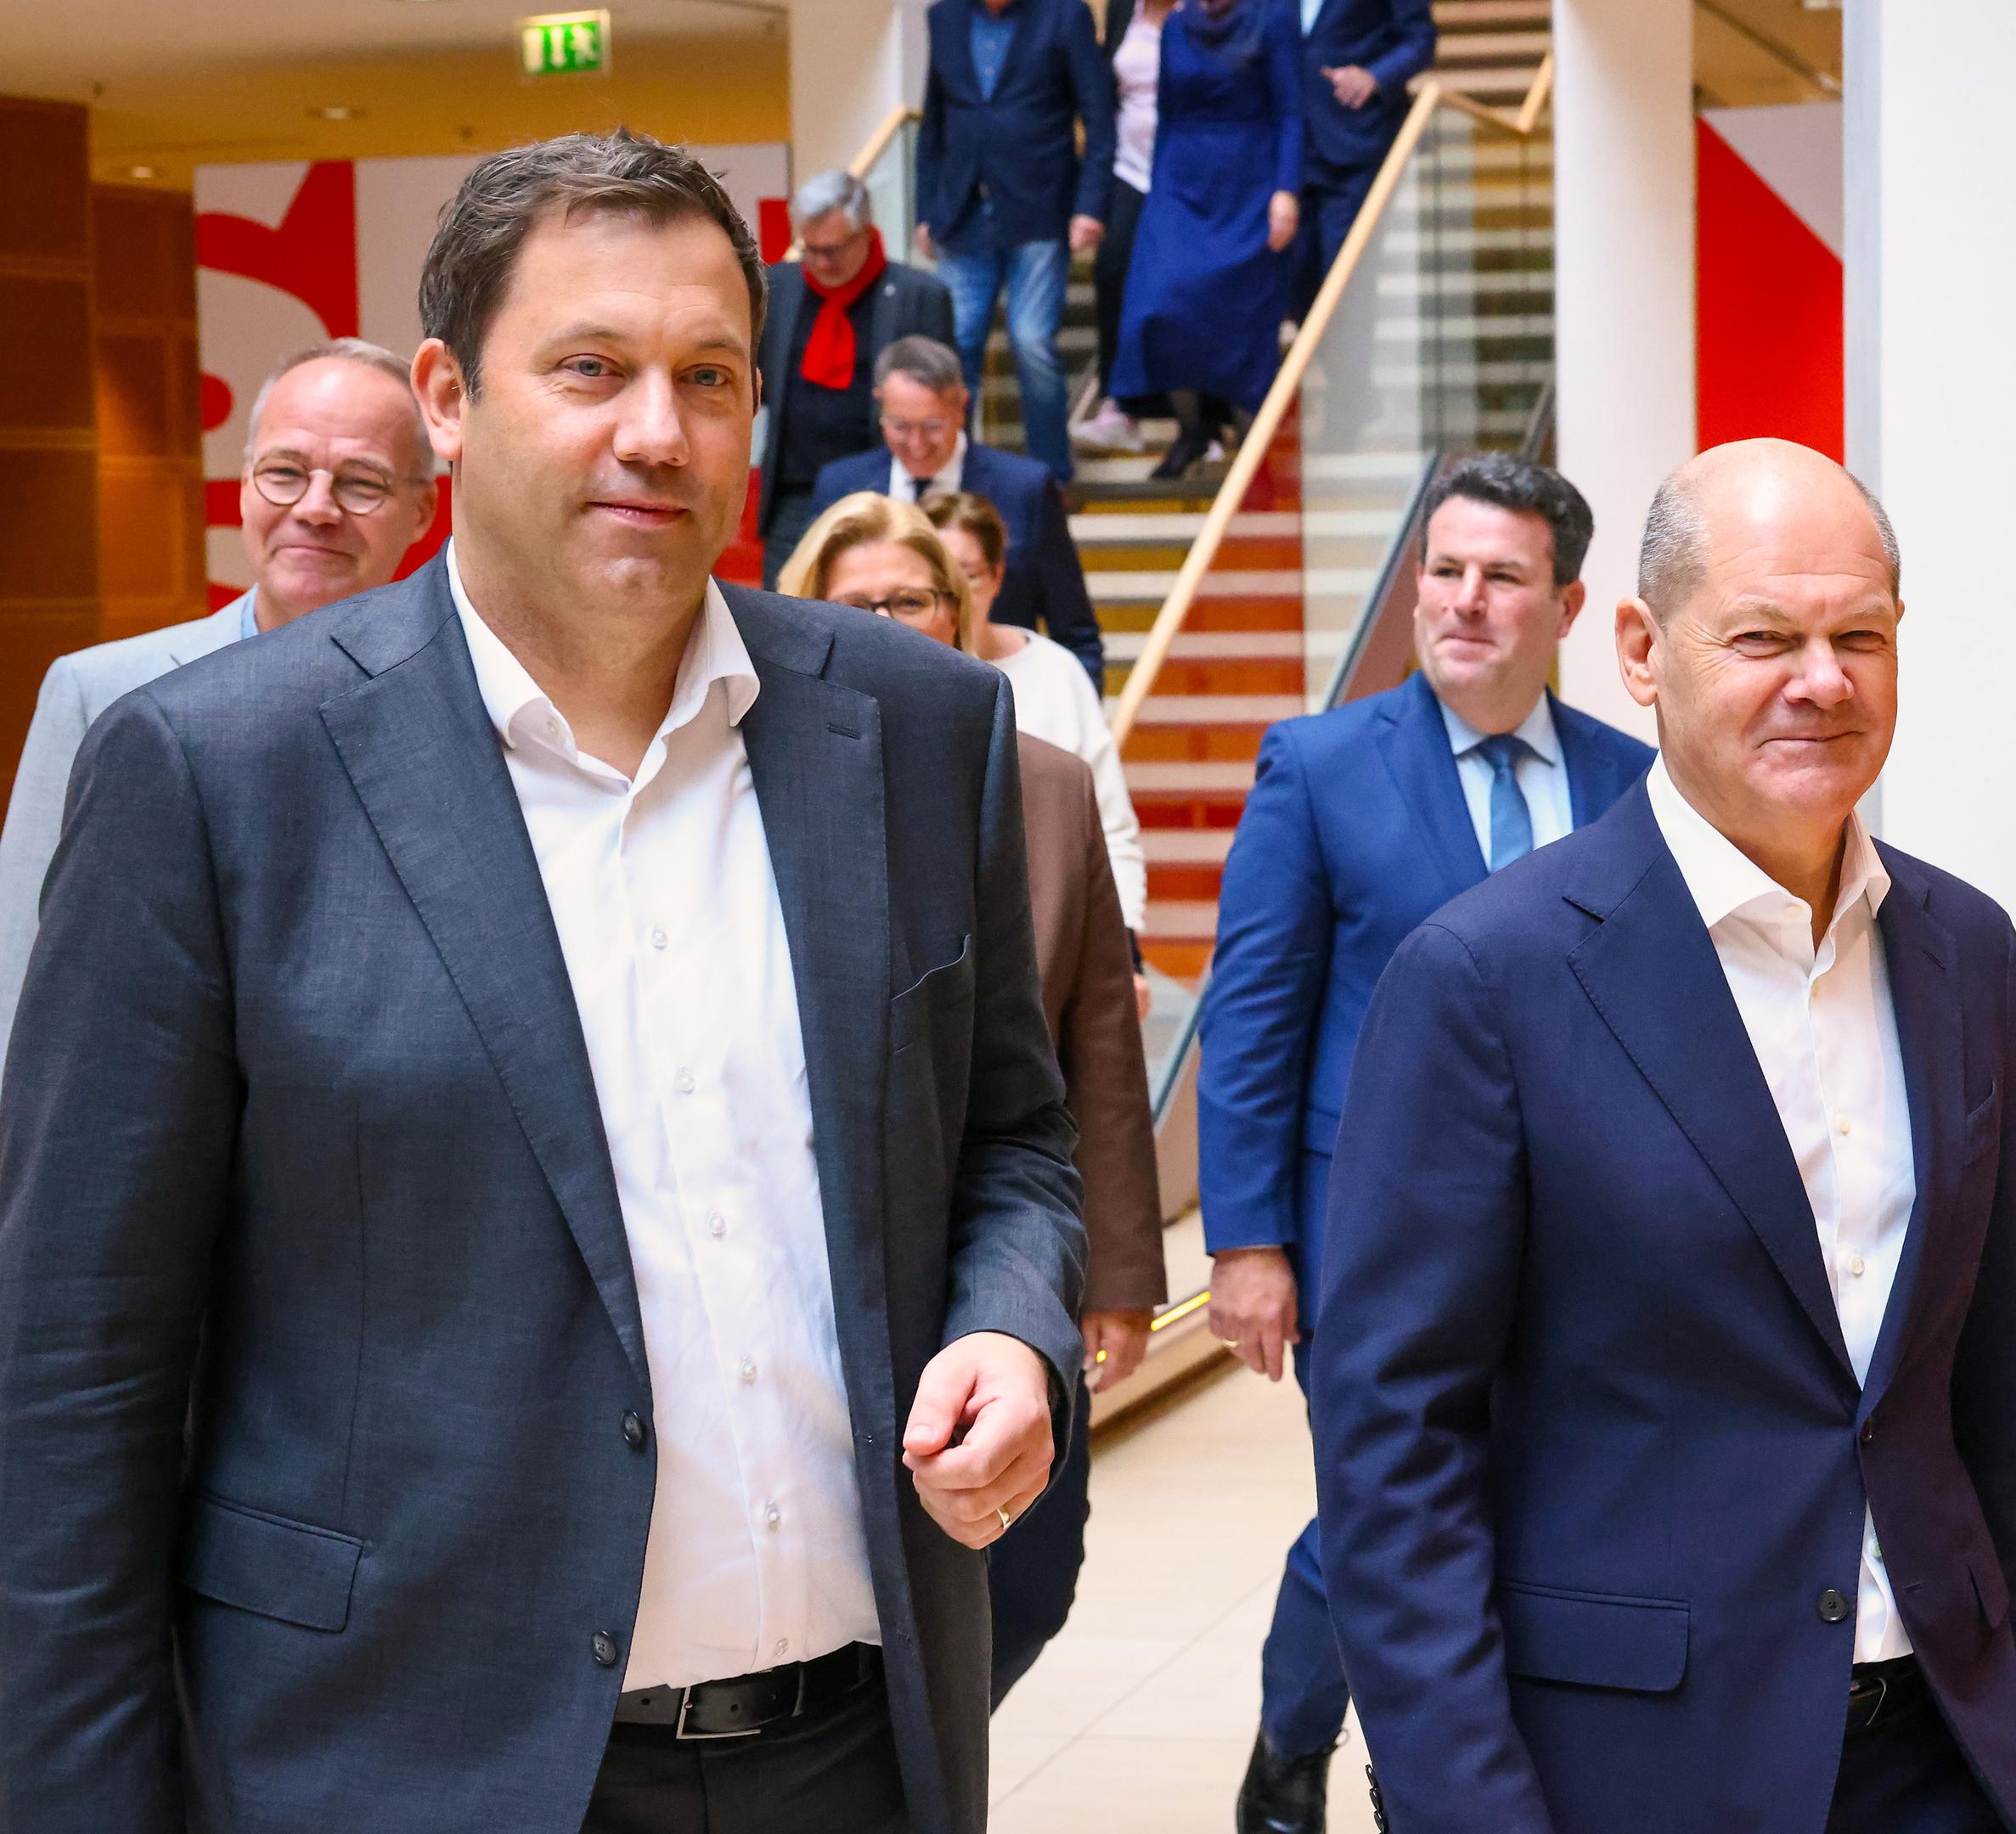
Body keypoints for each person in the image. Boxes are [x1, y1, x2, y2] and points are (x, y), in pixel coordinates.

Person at [0, 130, 1089, 1831]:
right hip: (397, 1765)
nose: (656, 431)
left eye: (708, 376)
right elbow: (74, 1372)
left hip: (858, 1756)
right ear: (448, 397)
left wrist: (1011, 1329)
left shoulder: (914, 728)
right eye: (590, 368)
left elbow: (1012, 1140)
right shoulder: (212, 778)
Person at [1311, 439, 2016, 1834]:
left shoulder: (1964, 951)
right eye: (1765, 637)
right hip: (1638, 1769)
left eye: (1860, 638)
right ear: (1645, 652)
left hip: (1944, 1755)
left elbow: (2001, 1386)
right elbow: (1395, 1451)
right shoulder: (1490, 978)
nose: (1822, 681)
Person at [1195, 449, 1652, 1834]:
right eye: (1442, 571)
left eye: (1501, 577)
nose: (1461, 600)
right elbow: (1255, 1015)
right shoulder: (1323, 768)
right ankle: (1299, 1759)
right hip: (1370, 1234)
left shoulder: (1636, 780)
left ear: (1565, 607)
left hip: (1589, 1243)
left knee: (1523, 1510)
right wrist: (1248, 1241)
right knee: (1390, 1514)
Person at [780, 490, 1163, 1705]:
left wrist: (1119, 1278)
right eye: (859, 604)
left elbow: (1097, 1039)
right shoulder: (760, 780)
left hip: (1011, 1242)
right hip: (827, 1258)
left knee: (1033, 1576)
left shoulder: (1045, 785)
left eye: (913, 599)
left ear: (962, 613)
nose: (891, 623)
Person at [0, 336, 438, 1080]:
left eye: (361, 483)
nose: (316, 508)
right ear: (242, 485)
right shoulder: (100, 694)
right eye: (284, 473)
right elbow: (21, 972)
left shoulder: (473, 703)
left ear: (423, 511)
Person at [916, 487, 1149, 944]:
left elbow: (1109, 825)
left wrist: (1125, 946)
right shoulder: (897, 675)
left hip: (1050, 929)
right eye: (938, 580)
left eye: (970, 576)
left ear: (999, 576)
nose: (958, 597)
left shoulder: (1057, 671)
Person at [814, 335, 1104, 678]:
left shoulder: (1024, 488)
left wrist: (1073, 712)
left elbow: (1075, 630)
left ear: (962, 406)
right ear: (880, 405)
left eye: (933, 426)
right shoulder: (841, 485)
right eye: (900, 426)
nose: (917, 444)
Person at [914, 0, 1115, 484]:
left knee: (1031, 342)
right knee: (956, 348)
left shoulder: (1065, 15)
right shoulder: (944, 17)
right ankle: (954, 477)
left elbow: (1099, 116)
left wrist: (1090, 206)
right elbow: (934, 123)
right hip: (963, 214)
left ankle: (1051, 477)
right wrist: (926, 212)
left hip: (1040, 210)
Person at [1105, 0, 1304, 481]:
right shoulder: (1174, 25)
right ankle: (1193, 429)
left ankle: (1253, 442)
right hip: (1181, 180)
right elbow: (1167, 114)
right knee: (1156, 305)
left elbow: (1291, 112)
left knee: (1238, 316)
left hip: (1250, 178)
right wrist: (1159, 193)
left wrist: (1287, 190)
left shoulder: (1272, 16)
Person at [757, 169, 956, 582]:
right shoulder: (778, 288)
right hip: (796, 490)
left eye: (832, 249)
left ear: (866, 233)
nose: (820, 262)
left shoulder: (918, 295)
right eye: (809, 249)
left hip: (884, 484)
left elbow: (946, 399)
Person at [1073, 0, 1180, 457]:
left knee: (1179, 287)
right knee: (1112, 270)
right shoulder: (1122, 10)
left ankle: (1199, 416)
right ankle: (1120, 405)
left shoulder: (1212, 11)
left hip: (1189, 171)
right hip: (1128, 167)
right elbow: (1104, 92)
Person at [1291, 0, 1430, 312]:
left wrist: (1374, 77)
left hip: (1355, 145)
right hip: (1288, 151)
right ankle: (1319, 359)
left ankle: (1345, 359)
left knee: (1344, 284)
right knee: (1295, 280)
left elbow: (1420, 38)